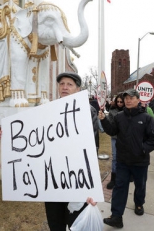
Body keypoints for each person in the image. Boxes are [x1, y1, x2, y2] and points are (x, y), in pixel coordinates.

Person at [98, 88, 154, 228]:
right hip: (123, 161)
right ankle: (116, 216)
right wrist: (103, 120)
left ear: (138, 100)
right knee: (120, 187)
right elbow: (112, 131)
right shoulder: (119, 116)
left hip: (140, 161)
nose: (128, 100)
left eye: (131, 98)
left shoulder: (146, 118)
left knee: (140, 185)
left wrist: (143, 149)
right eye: (126, 98)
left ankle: (139, 203)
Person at [44, 71, 99, 231]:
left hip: (76, 178)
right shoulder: (47, 110)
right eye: (62, 84)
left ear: (77, 89)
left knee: (75, 222)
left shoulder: (88, 111)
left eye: (69, 84)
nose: (65, 87)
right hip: (53, 178)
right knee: (55, 222)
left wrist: (91, 187)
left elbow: (92, 150)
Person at [106, 93, 125, 189]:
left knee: (125, 157)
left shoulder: (128, 110)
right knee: (115, 157)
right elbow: (109, 123)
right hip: (115, 137)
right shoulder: (112, 111)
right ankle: (113, 178)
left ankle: (124, 176)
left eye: (121, 102)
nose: (120, 103)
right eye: (118, 102)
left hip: (125, 138)